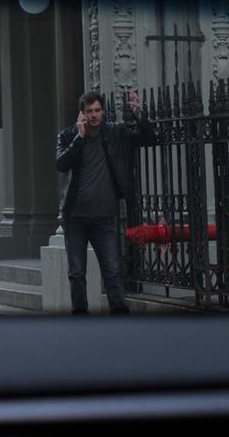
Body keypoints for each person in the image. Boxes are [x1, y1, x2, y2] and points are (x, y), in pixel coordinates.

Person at [56, 90, 158, 315]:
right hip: (75, 218)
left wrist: (139, 115)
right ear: (82, 114)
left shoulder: (114, 133)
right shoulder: (68, 135)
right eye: (90, 111)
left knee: (112, 271)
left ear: (102, 112)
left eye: (98, 110)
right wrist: (79, 138)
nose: (94, 115)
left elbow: (149, 139)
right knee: (77, 273)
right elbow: (61, 164)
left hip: (104, 217)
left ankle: (120, 314)